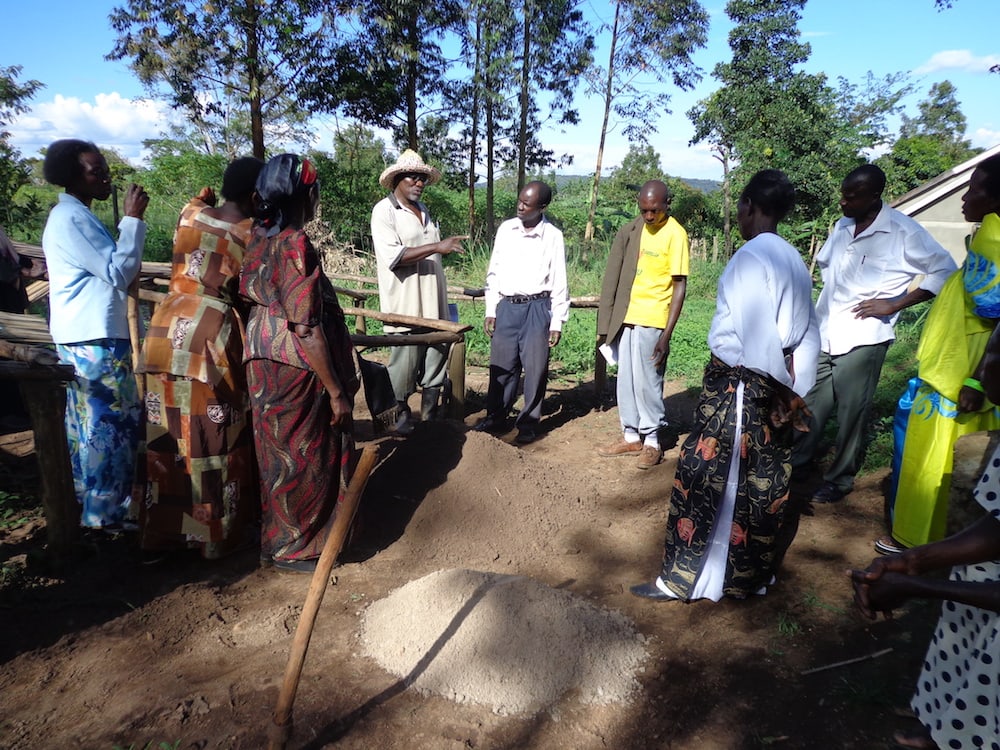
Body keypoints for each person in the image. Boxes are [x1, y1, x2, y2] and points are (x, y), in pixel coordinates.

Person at [630, 169, 820, 603]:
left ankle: (690, 580)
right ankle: (745, 577)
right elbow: (810, 333)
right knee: (759, 483)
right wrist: (797, 388)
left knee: (711, 477)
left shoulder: (751, 259)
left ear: (748, 206)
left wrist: (779, 390)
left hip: (742, 389)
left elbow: (758, 338)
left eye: (741, 206)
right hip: (775, 383)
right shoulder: (793, 258)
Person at [849, 322, 1000, 750]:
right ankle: (946, 731)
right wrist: (912, 561)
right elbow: (997, 526)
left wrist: (916, 585)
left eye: (990, 357)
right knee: (966, 655)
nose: (980, 368)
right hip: (983, 585)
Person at [791, 165, 956, 505]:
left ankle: (839, 479)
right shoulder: (843, 225)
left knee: (852, 412)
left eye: (852, 197)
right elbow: (827, 269)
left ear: (874, 196)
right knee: (812, 402)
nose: (843, 202)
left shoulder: (902, 231)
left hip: (864, 338)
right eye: (843, 195)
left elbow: (945, 269)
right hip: (826, 330)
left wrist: (895, 303)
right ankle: (798, 463)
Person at [135, 157, 264, 560]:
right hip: (209, 333)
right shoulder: (252, 234)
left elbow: (201, 200)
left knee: (165, 432)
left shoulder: (190, 213)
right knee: (212, 435)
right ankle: (212, 537)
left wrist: (205, 198)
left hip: (164, 327)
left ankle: (160, 535)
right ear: (256, 196)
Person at [240, 153, 359, 574]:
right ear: (307, 195)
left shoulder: (257, 237)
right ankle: (299, 548)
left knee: (275, 451)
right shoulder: (294, 243)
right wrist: (336, 391)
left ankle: (275, 541)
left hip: (261, 356)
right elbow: (305, 326)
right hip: (294, 364)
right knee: (305, 454)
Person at [881, 153, 1000, 554]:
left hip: (960, 372)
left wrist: (975, 379)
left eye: (974, 190)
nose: (964, 198)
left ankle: (919, 545)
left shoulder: (994, 236)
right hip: (963, 368)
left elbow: (997, 314)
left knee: (936, 458)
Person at [41, 139, 148, 531]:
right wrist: (132, 220)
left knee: (90, 425)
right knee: (110, 425)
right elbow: (118, 271)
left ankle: (93, 507)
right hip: (95, 337)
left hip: (86, 334)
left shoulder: (74, 216)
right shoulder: (72, 219)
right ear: (72, 176)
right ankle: (108, 514)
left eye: (104, 169)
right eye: (95, 171)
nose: (105, 177)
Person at [370, 149, 467, 434]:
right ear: (397, 179)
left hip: (434, 308)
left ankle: (429, 424)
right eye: (412, 177)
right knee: (402, 372)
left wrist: (438, 248)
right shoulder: (385, 211)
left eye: (422, 178)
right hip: (405, 309)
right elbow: (395, 257)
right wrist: (438, 246)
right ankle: (396, 424)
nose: (419, 182)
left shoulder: (423, 210)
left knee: (435, 367)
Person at [596, 179, 689, 469]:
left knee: (649, 382)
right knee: (626, 379)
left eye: (655, 210)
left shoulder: (675, 234)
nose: (649, 216)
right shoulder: (634, 230)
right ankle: (631, 435)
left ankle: (652, 441)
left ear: (667, 205)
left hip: (654, 319)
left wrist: (666, 334)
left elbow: (679, 286)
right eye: (644, 210)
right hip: (628, 317)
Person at [472, 180, 569, 445]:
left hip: (538, 308)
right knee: (502, 367)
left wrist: (556, 322)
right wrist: (491, 308)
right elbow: (494, 271)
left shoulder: (553, 236)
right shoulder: (507, 230)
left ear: (542, 207)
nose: (520, 207)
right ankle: (496, 417)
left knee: (535, 370)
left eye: (527, 204)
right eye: (520, 201)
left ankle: (528, 423)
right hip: (507, 306)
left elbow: (559, 280)